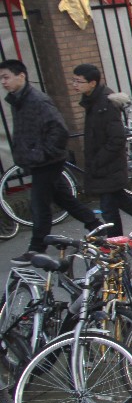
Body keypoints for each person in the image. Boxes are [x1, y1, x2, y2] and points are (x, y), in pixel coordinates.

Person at [0, 60, 99, 256]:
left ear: (21, 76)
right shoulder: (17, 100)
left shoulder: (36, 100)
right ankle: (96, 226)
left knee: (39, 205)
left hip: (47, 162)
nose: (3, 82)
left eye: (6, 77)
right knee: (64, 198)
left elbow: (59, 130)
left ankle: (36, 248)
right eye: (1, 78)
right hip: (38, 161)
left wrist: (40, 154)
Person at [72, 64, 132, 237]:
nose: (75, 85)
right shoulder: (94, 101)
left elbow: (117, 138)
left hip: (108, 165)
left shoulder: (104, 104)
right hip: (104, 165)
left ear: (92, 83)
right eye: (74, 80)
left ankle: (117, 240)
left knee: (109, 207)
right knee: (117, 202)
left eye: (79, 81)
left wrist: (98, 161)